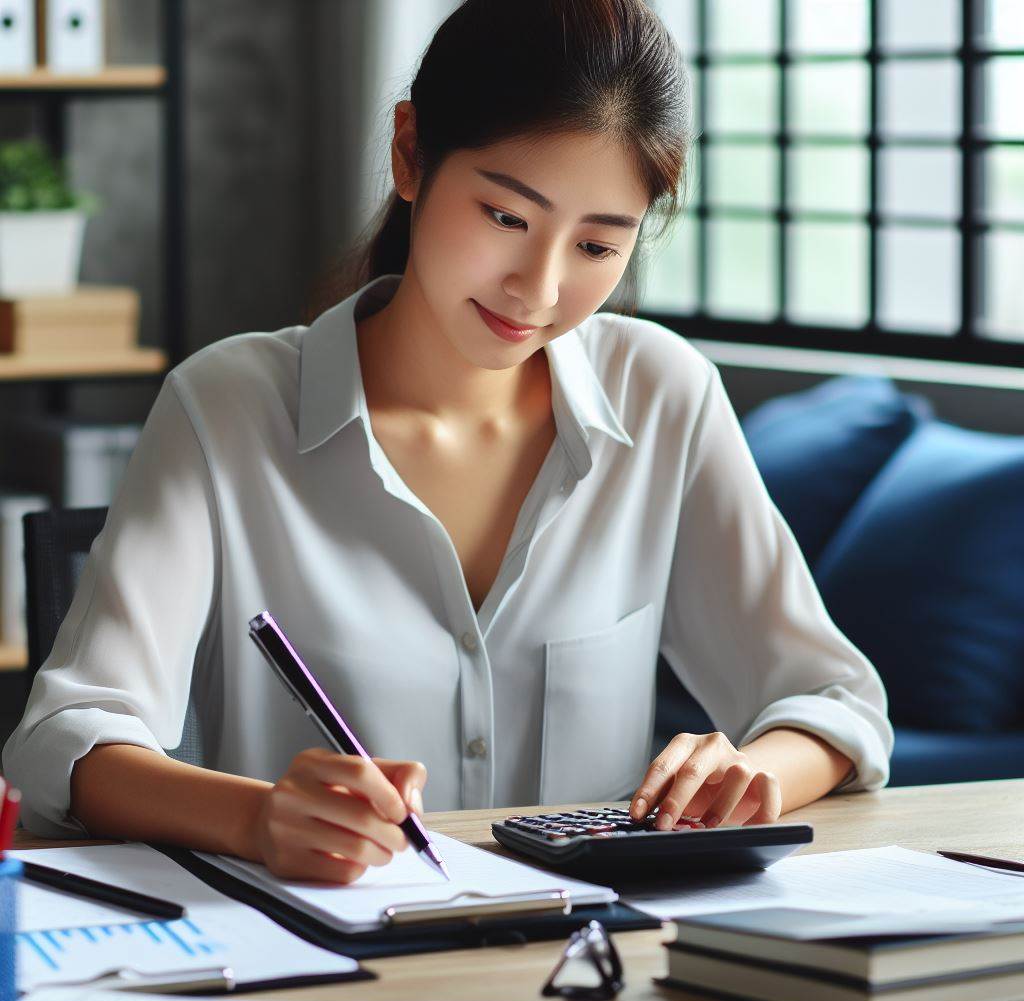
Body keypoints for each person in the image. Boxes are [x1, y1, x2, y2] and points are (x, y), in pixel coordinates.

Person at [3, 0, 893, 884]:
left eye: (595, 245)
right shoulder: (227, 409)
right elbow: (67, 737)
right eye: (507, 218)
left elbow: (834, 702)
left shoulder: (663, 395)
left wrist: (751, 774)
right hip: (328, 974)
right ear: (409, 153)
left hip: (588, 969)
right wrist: (259, 817)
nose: (537, 290)